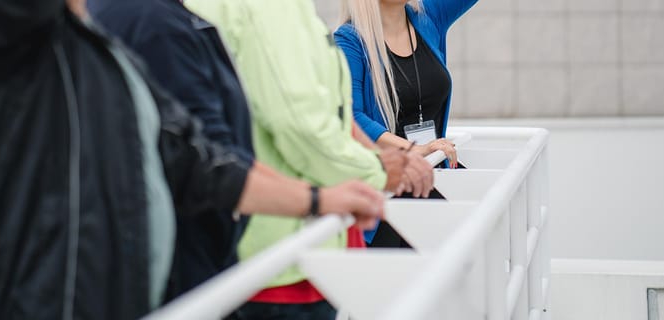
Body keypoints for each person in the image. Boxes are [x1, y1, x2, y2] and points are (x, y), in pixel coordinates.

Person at [0, 0, 386, 319]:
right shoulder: (6, 31)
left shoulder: (120, 48)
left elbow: (201, 164)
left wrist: (319, 200)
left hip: (115, 299)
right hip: (25, 300)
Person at [86, 0, 423, 302]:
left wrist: (370, 166)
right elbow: (295, 123)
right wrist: (370, 173)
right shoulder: (160, 17)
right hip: (278, 253)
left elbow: (331, 110)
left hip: (263, 239)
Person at [185, 0, 436, 318]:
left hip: (261, 248)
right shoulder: (270, 7)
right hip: (283, 258)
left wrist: (379, 160)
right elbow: (298, 122)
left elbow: (331, 113)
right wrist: (377, 172)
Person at [334, 0, 478, 247]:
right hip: (387, 196)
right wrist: (413, 150)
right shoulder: (350, 40)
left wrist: (424, 153)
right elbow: (352, 117)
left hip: (432, 179)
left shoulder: (426, 18)